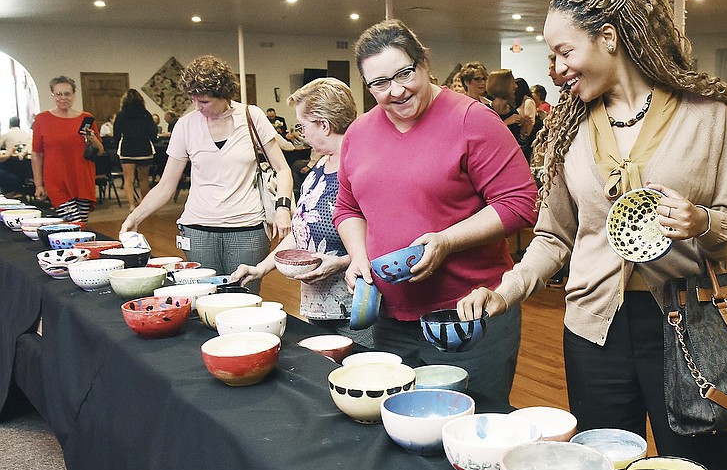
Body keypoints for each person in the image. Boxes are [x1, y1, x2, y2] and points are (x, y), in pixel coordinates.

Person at [457, 0, 727, 470]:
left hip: (692, 329)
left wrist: (701, 222)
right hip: (594, 329)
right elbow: (553, 236)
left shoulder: (707, 116)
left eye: (564, 51)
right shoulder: (568, 126)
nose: (556, 68)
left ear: (610, 38)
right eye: (551, 55)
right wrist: (505, 291)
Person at [333, 20, 538, 405]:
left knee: (472, 427)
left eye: (405, 73)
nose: (396, 91)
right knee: (401, 427)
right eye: (379, 83)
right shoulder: (359, 134)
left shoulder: (472, 120)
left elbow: (519, 203)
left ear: (424, 63)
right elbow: (347, 208)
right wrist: (359, 257)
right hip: (391, 315)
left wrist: (446, 241)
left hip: (468, 313)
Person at [120, 55, 293, 292]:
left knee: (243, 299)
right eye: (193, 100)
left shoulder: (252, 117)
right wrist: (135, 218)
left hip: (247, 230)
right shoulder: (186, 125)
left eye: (204, 101)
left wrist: (283, 209)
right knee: (204, 299)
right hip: (198, 230)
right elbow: (166, 185)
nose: (197, 107)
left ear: (225, 95)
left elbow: (282, 169)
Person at [232, 78, 371, 346]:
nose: (302, 133)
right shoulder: (317, 171)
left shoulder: (362, 168)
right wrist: (260, 269)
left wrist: (341, 263)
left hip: (357, 308)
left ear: (324, 124)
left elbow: (385, 239)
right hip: (318, 307)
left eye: (302, 125)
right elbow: (301, 232)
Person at [31, 76, 104, 222]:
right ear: (52, 96)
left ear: (74, 95)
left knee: (81, 222)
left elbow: (100, 150)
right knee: (74, 222)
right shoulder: (42, 119)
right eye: (59, 94)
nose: (63, 98)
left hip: (82, 179)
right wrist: (39, 184)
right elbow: (37, 154)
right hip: (56, 181)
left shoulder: (86, 118)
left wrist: (93, 139)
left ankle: (80, 245)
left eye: (67, 94)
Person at [113, 89, 158, 211]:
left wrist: (118, 143)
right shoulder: (146, 114)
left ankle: (132, 205)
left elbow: (116, 133)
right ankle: (144, 205)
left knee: (129, 179)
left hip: (127, 149)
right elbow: (153, 134)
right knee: (144, 179)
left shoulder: (121, 115)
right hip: (144, 149)